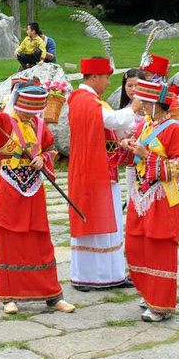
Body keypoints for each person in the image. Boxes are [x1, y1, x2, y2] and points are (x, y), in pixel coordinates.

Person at [0, 82, 75, 315]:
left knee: (40, 239)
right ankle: (9, 295)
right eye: (26, 110)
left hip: (34, 188)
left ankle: (51, 294)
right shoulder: (4, 122)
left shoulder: (39, 126)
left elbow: (50, 150)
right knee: (8, 238)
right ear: (17, 104)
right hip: (9, 186)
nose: (29, 115)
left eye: (33, 111)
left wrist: (43, 159)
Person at [117, 80, 179, 322]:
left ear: (158, 103)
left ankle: (161, 305)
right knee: (136, 247)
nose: (142, 106)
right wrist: (128, 146)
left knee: (159, 250)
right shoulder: (146, 125)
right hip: (141, 195)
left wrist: (146, 155)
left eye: (146, 102)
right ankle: (148, 293)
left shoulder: (174, 129)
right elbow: (138, 155)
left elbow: (178, 167)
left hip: (161, 198)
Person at [67, 57, 139, 292]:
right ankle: (91, 276)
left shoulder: (88, 100)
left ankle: (110, 274)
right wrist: (134, 108)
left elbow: (109, 127)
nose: (109, 82)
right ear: (95, 77)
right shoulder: (85, 100)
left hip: (98, 168)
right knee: (96, 222)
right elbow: (112, 120)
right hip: (92, 171)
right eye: (107, 77)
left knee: (109, 221)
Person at [117, 69, 146, 202]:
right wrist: (126, 138)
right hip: (131, 164)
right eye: (129, 85)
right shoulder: (123, 112)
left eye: (137, 85)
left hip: (150, 162)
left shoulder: (152, 109)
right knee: (132, 200)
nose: (133, 89)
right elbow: (116, 138)